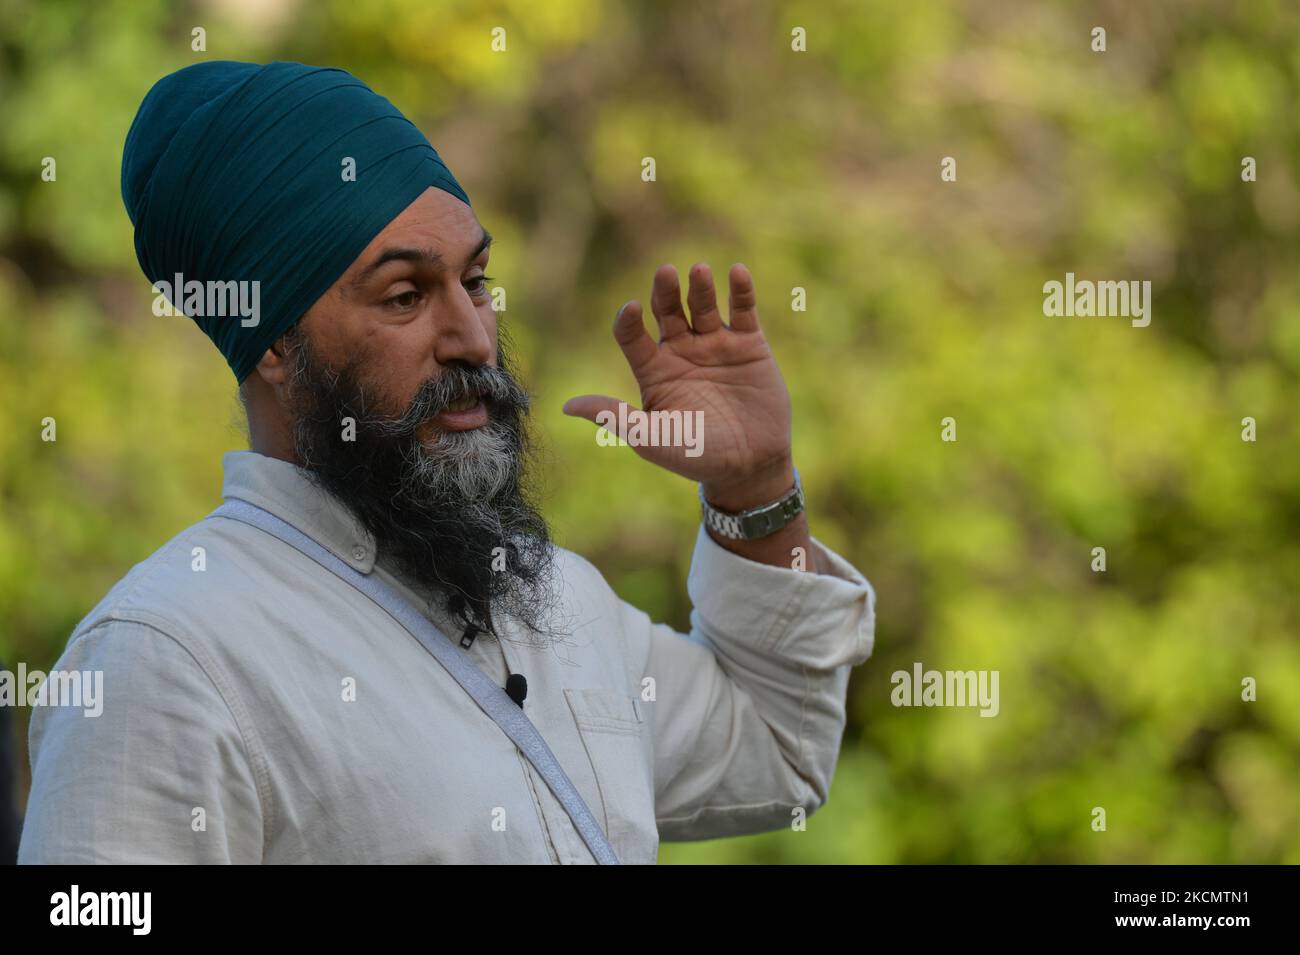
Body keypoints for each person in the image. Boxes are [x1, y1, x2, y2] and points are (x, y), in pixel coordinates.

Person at [18, 60, 876, 864]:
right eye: (405, 296)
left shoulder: (555, 597)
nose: (471, 336)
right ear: (273, 342)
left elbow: (779, 752)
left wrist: (754, 485)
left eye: (476, 281)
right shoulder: (163, 657)